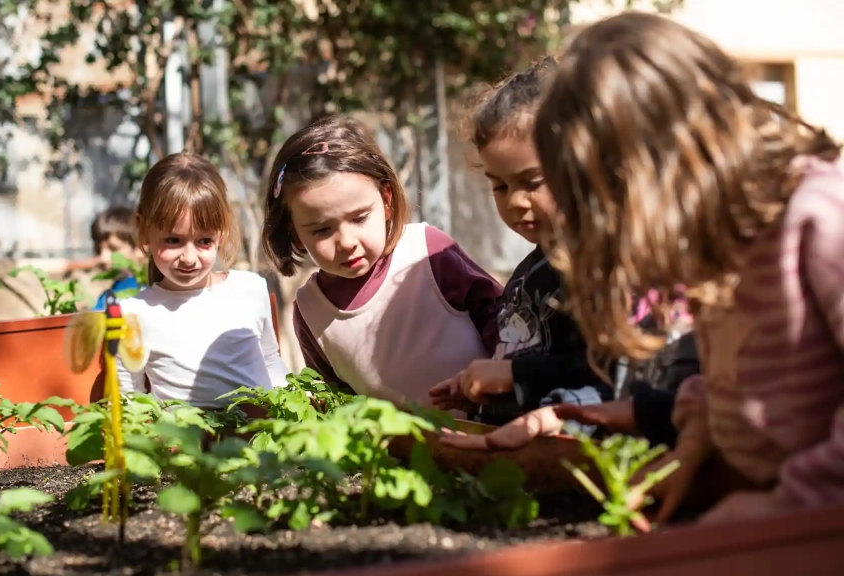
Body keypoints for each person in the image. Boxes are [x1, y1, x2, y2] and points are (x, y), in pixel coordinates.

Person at [531, 11, 844, 525]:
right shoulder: (718, 242)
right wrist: (694, 443)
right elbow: (728, 373)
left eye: (620, 200)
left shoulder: (817, 218)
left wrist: (790, 505)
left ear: (680, 159)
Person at [261, 115, 502, 411]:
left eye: (359, 218)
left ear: (386, 200)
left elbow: (506, 323)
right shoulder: (311, 310)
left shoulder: (428, 253)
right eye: (322, 230)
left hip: (491, 432)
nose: (346, 241)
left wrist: (503, 379)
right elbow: (338, 403)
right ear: (294, 234)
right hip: (400, 455)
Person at [427, 59, 613, 431]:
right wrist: (483, 386)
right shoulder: (533, 268)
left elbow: (606, 372)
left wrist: (514, 374)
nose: (514, 202)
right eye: (500, 186)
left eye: (531, 182)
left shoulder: (600, 268)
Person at [115, 153, 289, 407]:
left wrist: (293, 408)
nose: (189, 258)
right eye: (173, 240)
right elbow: (129, 398)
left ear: (221, 234)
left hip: (260, 439)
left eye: (204, 241)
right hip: (185, 443)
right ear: (144, 232)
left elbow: (271, 361)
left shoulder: (250, 289)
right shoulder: (133, 313)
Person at [64, 205, 147, 308]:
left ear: (141, 249)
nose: (103, 257)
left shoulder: (146, 293)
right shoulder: (113, 292)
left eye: (113, 249)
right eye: (99, 250)